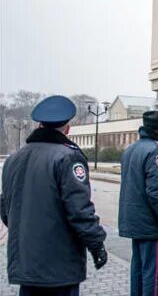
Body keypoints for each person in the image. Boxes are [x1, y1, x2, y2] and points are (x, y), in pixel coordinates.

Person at [1, 95, 107, 296]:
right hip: (59, 266)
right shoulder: (68, 158)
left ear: (39, 125)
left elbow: (6, 208)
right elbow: (80, 211)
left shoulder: (13, 160)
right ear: (67, 129)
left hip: (26, 263)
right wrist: (97, 244)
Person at [118, 110, 158, 296]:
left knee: (139, 270)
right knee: (154, 273)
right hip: (151, 223)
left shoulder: (132, 149)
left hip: (134, 221)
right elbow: (156, 191)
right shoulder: (157, 151)